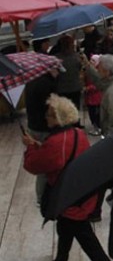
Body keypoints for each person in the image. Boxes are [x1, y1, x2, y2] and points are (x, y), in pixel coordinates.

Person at [23, 94, 113, 261]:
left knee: (83, 235)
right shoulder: (77, 133)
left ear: (59, 118)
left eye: (50, 115)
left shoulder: (57, 141)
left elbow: (34, 165)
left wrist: (30, 148)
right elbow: (60, 156)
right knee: (65, 228)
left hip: (69, 197)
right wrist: (39, 146)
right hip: (81, 190)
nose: (46, 118)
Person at [24, 67, 60, 200]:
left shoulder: (31, 81)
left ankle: (41, 195)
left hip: (33, 125)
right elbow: (52, 105)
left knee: (41, 163)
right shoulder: (47, 84)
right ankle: (42, 196)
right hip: (44, 128)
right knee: (46, 165)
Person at [54, 35, 83, 107]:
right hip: (75, 88)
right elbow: (80, 69)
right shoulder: (77, 57)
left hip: (61, 89)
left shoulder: (56, 59)